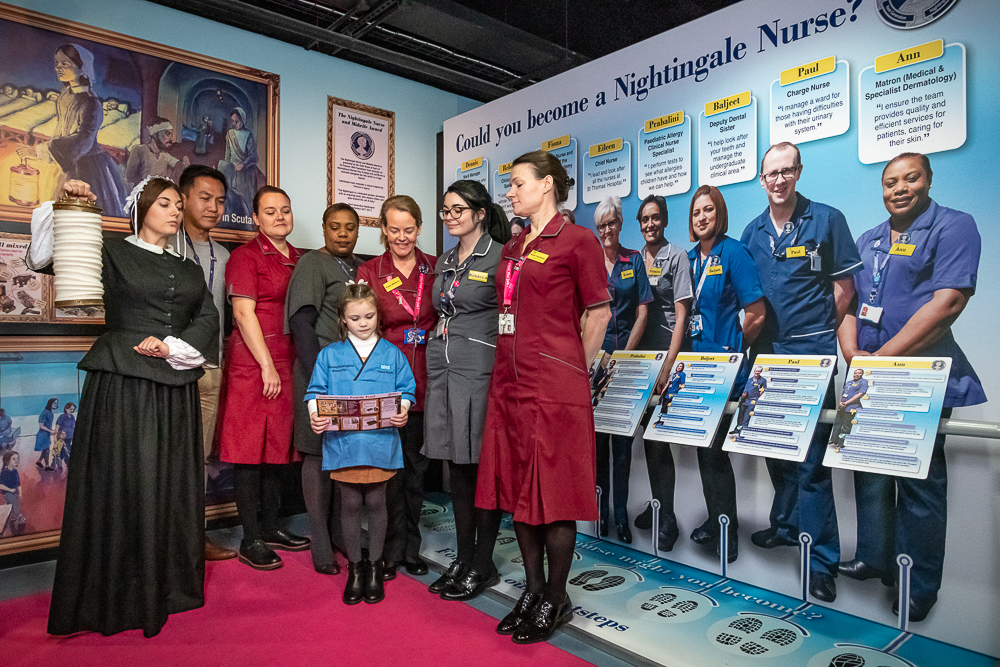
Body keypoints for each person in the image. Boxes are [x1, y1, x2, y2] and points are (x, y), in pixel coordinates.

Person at [28, 177, 219, 637]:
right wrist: (69, 202)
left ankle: (167, 585)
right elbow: (44, 258)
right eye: (166, 204)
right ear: (142, 209)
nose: (175, 212)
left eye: (179, 205)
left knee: (168, 481)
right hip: (122, 385)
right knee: (123, 479)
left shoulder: (189, 267)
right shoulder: (110, 250)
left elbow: (208, 316)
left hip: (172, 385)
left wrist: (174, 344)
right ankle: (114, 592)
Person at [837, 152, 985, 622]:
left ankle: (917, 584)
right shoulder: (869, 239)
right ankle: (874, 557)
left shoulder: (954, 226)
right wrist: (854, 355)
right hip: (869, 373)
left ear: (928, 180)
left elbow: (948, 302)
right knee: (869, 467)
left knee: (919, 482)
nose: (899, 188)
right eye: (889, 182)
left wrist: (882, 358)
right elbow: (845, 305)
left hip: (920, 375)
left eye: (910, 178)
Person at [477, 150, 611, 644]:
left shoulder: (578, 241)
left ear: (547, 184)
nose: (509, 192)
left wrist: (575, 367)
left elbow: (597, 313)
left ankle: (557, 595)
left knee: (553, 496)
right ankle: (532, 591)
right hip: (508, 384)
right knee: (519, 493)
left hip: (554, 386)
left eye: (516, 183)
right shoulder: (511, 247)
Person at [740, 142, 863, 603]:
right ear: (761, 178)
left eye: (786, 171)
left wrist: (814, 334)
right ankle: (786, 526)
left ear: (798, 172)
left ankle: (822, 562)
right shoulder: (752, 233)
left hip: (809, 357)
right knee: (776, 450)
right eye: (771, 173)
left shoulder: (827, 219)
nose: (778, 180)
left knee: (811, 463)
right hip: (765, 360)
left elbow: (845, 287)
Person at [424, 180, 510, 601]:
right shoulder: (443, 260)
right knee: (456, 469)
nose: (451, 216)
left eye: (458, 209)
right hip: (443, 369)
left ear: (479, 213)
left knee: (481, 469)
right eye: (446, 210)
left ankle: (483, 562)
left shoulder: (500, 256)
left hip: (481, 371)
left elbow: (512, 314)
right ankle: (463, 557)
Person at [217, 185, 309, 570]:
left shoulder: (302, 259)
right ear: (255, 218)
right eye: (270, 212)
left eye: (285, 210)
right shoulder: (244, 256)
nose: (279, 217)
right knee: (249, 453)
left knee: (278, 451)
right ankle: (250, 537)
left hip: (290, 363)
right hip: (253, 365)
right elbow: (243, 314)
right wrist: (267, 365)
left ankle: (271, 527)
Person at [306, 284, 416, 605]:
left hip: (381, 444)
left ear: (378, 315)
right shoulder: (330, 354)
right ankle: (355, 567)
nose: (363, 323)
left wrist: (403, 411)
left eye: (369, 316)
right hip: (344, 444)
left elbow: (406, 390)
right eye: (355, 318)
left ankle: (374, 566)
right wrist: (316, 415)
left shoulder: (391, 353)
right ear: (343, 318)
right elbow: (315, 392)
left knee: (379, 503)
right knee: (351, 504)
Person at [357, 196, 438, 579]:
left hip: (427, 380)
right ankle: (387, 551)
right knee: (387, 470)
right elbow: (359, 327)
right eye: (394, 230)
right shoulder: (369, 271)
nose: (402, 237)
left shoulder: (435, 268)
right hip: (384, 380)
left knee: (415, 470)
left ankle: (411, 548)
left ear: (419, 228)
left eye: (409, 229)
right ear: (383, 230)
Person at [684, 185, 766, 563]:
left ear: (720, 215)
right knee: (704, 451)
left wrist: (730, 351)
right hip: (695, 369)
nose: (702, 218)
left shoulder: (733, 252)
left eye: (709, 211)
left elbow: (757, 312)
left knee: (715, 451)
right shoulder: (688, 259)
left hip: (724, 372)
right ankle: (718, 519)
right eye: (697, 212)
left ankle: (727, 531)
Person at [286, 202, 364, 575]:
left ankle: (338, 531)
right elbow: (302, 322)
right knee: (317, 453)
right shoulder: (311, 264)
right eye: (335, 227)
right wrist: (320, 377)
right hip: (320, 371)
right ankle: (319, 539)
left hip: (353, 374)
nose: (343, 233)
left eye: (350, 227)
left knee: (342, 451)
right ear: (323, 228)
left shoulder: (359, 267)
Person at [176, 165, 236, 562]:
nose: (213, 207)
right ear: (182, 198)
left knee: (196, 460)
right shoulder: (164, 245)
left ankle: (191, 542)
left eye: (219, 200)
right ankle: (155, 542)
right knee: (165, 458)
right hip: (166, 371)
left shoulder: (225, 255)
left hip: (209, 370)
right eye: (205, 197)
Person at [631, 193, 693, 551]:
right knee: (647, 441)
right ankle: (657, 508)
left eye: (655, 218)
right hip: (642, 358)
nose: (650, 224)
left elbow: (682, 314)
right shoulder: (636, 259)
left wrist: (669, 365)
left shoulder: (677, 256)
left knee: (658, 440)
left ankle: (667, 519)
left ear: (664, 221)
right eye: (644, 219)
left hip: (667, 355)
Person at [593, 195, 652, 545]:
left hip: (627, 363)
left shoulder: (633, 260)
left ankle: (621, 517)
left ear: (620, 223)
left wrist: (625, 356)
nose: (607, 230)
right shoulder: (590, 262)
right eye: (601, 225)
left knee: (624, 447)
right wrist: (599, 357)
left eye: (612, 223)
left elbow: (644, 310)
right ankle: (600, 515)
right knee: (599, 445)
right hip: (597, 366)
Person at [16, 44, 126, 214]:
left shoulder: (91, 102)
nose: (58, 68)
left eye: (65, 64)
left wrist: (40, 150)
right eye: (57, 63)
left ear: (82, 68)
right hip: (65, 161)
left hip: (88, 165)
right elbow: (62, 131)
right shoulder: (65, 95)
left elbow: (84, 139)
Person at [125, 116, 189, 190]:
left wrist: (185, 163)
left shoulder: (165, 155)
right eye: (167, 134)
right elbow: (129, 177)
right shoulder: (139, 150)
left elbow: (179, 165)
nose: (171, 138)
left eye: (171, 134)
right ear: (155, 135)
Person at [218, 107, 262, 215]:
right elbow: (227, 154)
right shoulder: (229, 134)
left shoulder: (248, 134)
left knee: (245, 198)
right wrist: (226, 167)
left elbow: (253, 156)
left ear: (243, 120)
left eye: (236, 121)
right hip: (232, 170)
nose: (234, 123)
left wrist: (243, 164)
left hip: (245, 172)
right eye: (232, 121)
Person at [831, 368, 867, 445]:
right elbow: (844, 393)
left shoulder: (864, 382)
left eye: (859, 373)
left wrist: (846, 403)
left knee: (846, 426)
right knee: (837, 423)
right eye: (855, 373)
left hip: (851, 407)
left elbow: (859, 395)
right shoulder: (849, 382)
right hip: (842, 407)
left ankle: (841, 442)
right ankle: (833, 440)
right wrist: (840, 402)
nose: (856, 375)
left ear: (862, 374)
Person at [732, 365, 767, 433]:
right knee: (740, 417)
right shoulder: (749, 379)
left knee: (746, 417)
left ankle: (743, 432)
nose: (757, 372)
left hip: (752, 401)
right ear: (754, 371)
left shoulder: (763, 380)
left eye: (759, 371)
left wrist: (756, 397)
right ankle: (737, 430)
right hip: (744, 400)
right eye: (756, 371)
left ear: (761, 372)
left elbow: (762, 390)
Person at [1, 451, 26, 533]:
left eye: (17, 459)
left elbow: (18, 483)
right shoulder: (4, 473)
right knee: (14, 503)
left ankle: (12, 516)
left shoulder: (15, 471)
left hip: (14, 491)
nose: (16, 461)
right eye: (13, 459)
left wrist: (20, 492)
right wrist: (9, 490)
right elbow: (0, 485)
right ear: (7, 461)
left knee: (11, 503)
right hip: (7, 492)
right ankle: (19, 516)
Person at [34, 398, 57, 471]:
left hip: (47, 434)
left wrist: (51, 430)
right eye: (55, 403)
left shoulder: (50, 413)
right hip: (42, 435)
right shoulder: (44, 412)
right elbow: (42, 426)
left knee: (45, 450)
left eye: (57, 403)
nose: (56, 405)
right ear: (50, 403)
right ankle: (47, 466)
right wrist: (51, 431)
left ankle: (39, 461)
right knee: (46, 450)